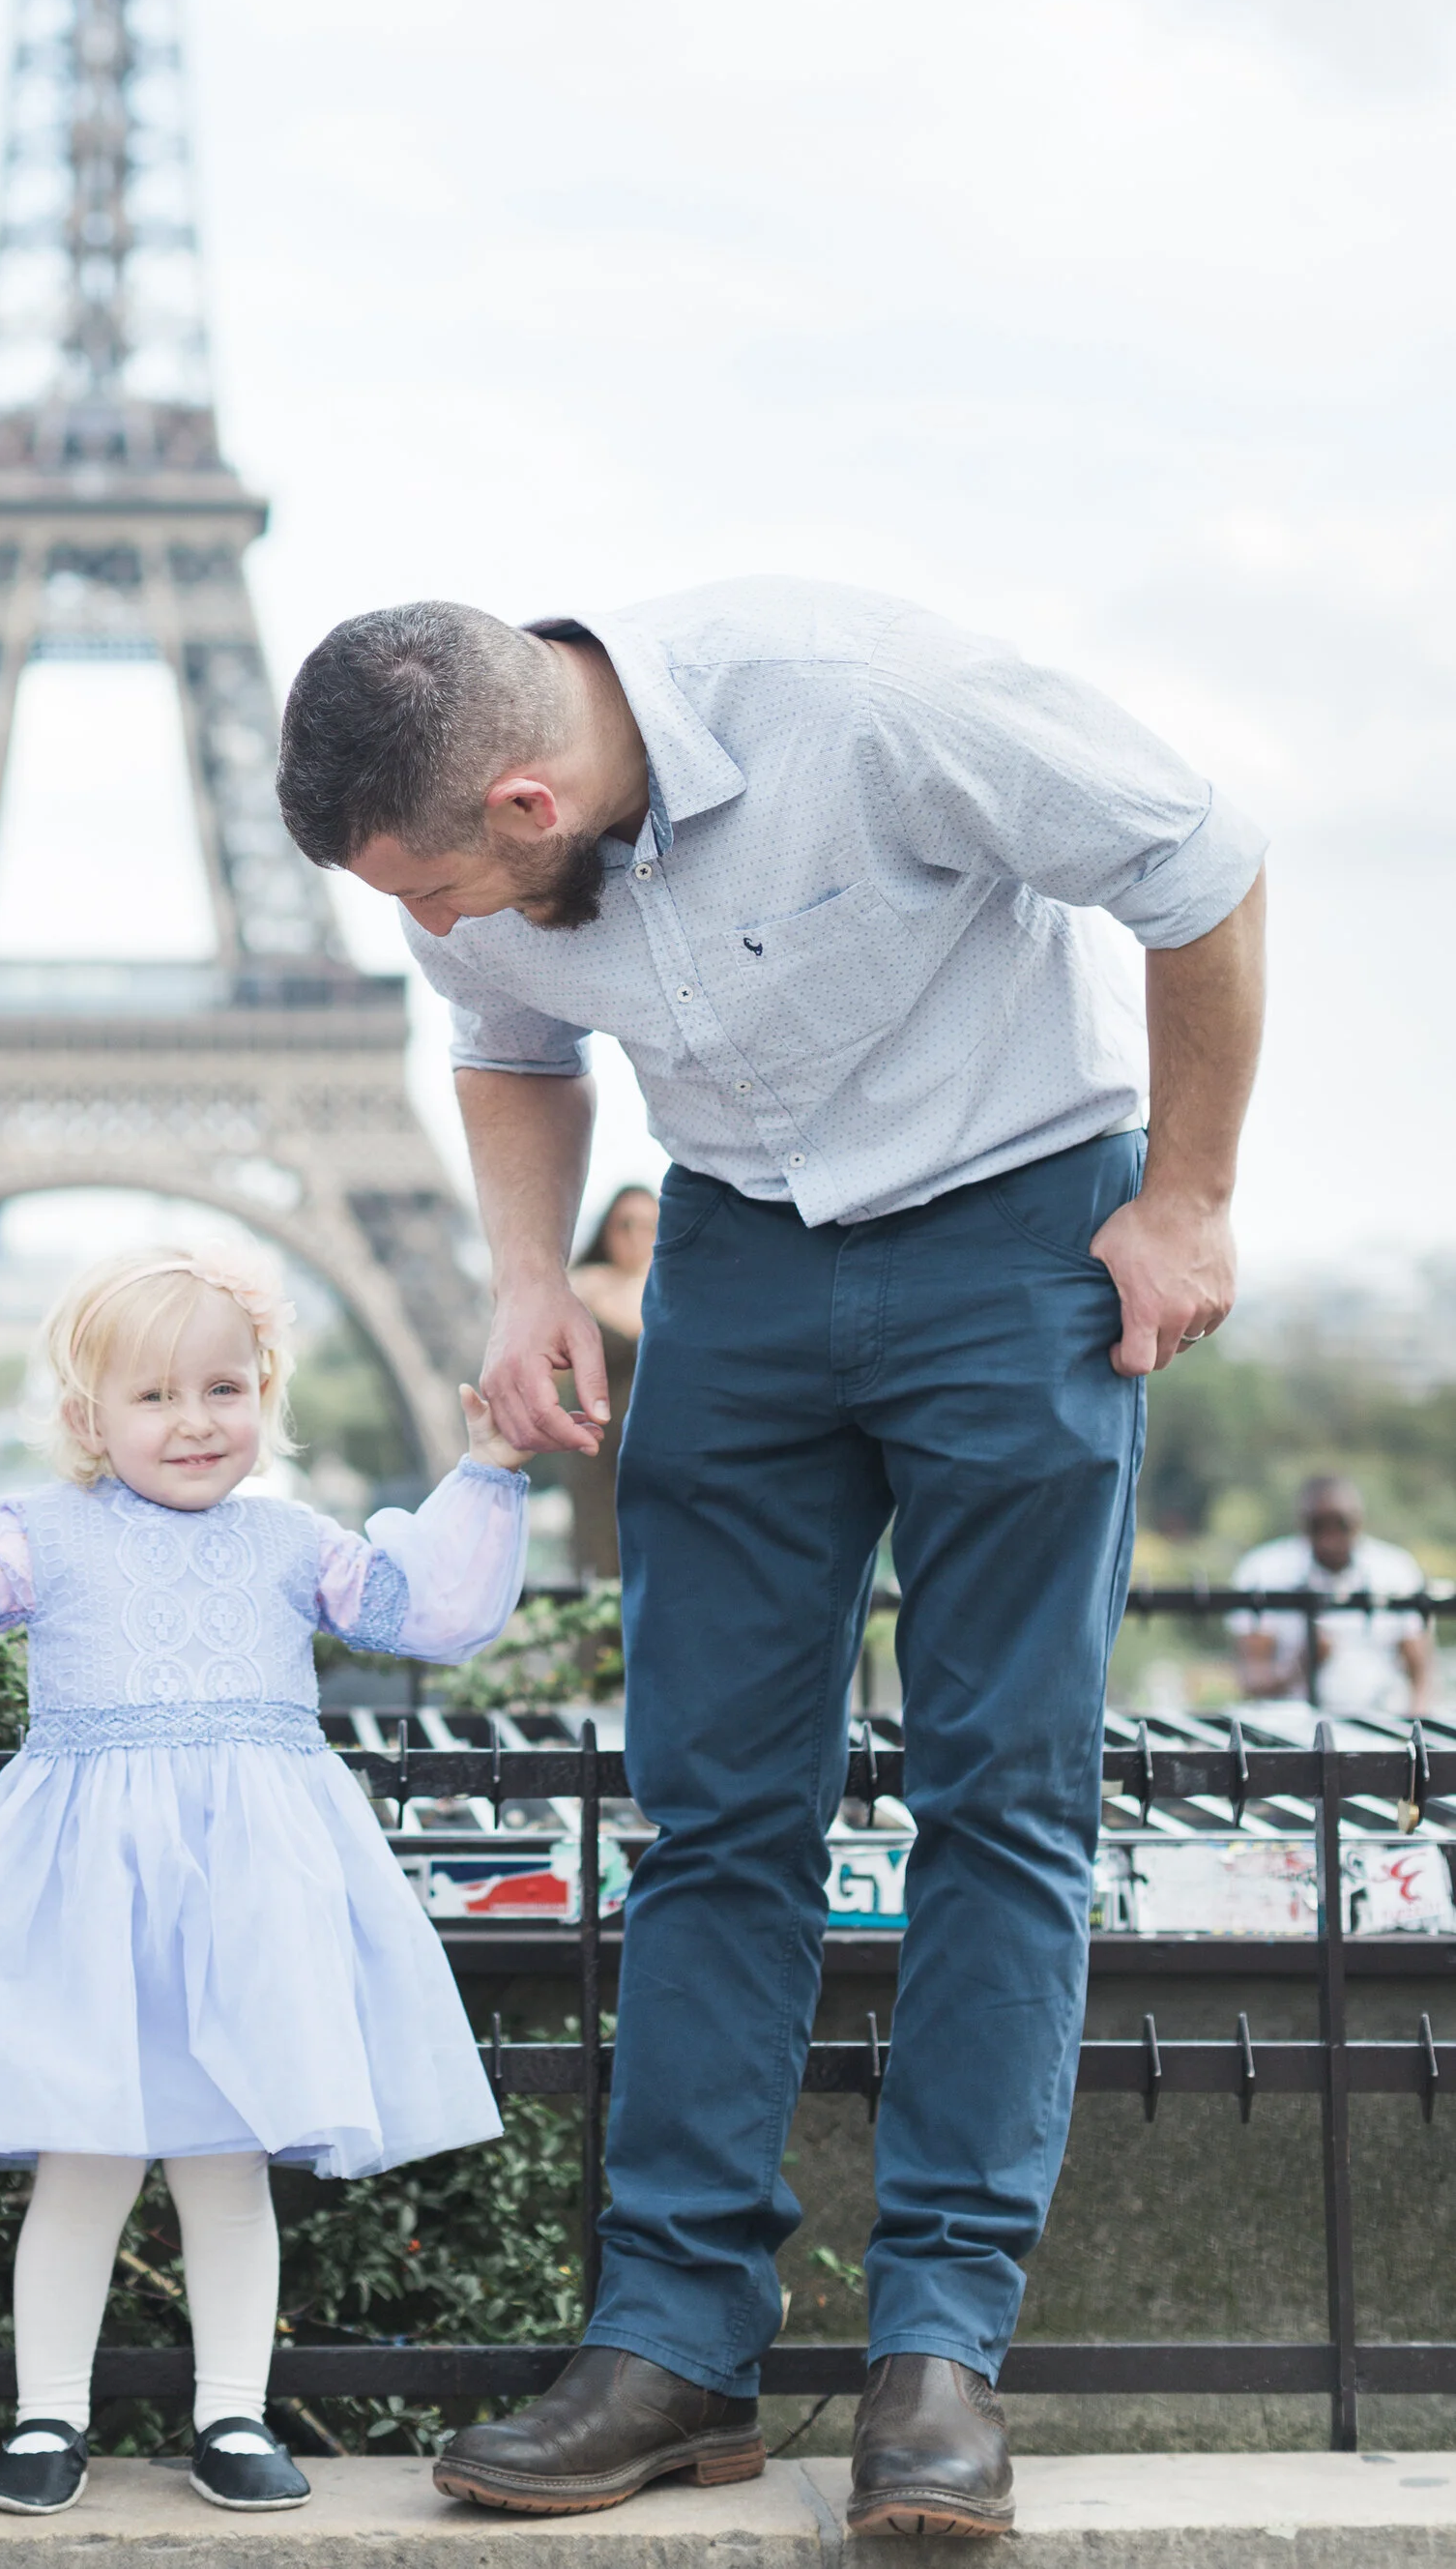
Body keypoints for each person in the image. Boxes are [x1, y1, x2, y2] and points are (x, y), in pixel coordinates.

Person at [276, 584, 1267, 2540]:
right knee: (709, 1814)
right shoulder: (469, 871)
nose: (437, 930)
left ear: (530, 799)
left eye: (444, 886)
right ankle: (670, 2345)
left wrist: (1190, 1197)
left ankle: (936, 2363)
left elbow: (1197, 858)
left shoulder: (870, 699)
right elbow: (506, 1043)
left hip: (1016, 1241)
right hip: (730, 1264)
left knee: (1003, 1801)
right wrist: (517, 1278)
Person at [0, 1244, 528, 2517]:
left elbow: (423, 1611)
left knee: (227, 2168)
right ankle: (48, 2414)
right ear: (86, 1420)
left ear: (266, 1393)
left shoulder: (291, 1538)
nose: (195, 1420)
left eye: (223, 1386)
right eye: (154, 1394)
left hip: (251, 1901)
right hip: (93, 1902)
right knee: (84, 2165)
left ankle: (233, 2413)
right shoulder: (39, 1533)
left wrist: (488, 1467)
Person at [1231, 1475, 1433, 1720]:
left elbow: (1421, 1674)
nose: (1330, 1538)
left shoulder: (1396, 1569)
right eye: (1318, 1526)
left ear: (1359, 1521)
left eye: (1341, 1525)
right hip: (1290, 1730)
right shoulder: (1263, 1570)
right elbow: (1251, 1680)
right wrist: (1301, 1665)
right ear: (1302, 1524)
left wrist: (1415, 1736)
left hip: (1382, 1726)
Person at [563, 1184, 659, 1582]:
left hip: (666, 1450)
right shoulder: (583, 1287)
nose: (637, 1235)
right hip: (598, 1453)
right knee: (601, 1564)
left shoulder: (676, 1288)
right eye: (625, 1224)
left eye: (651, 1225)